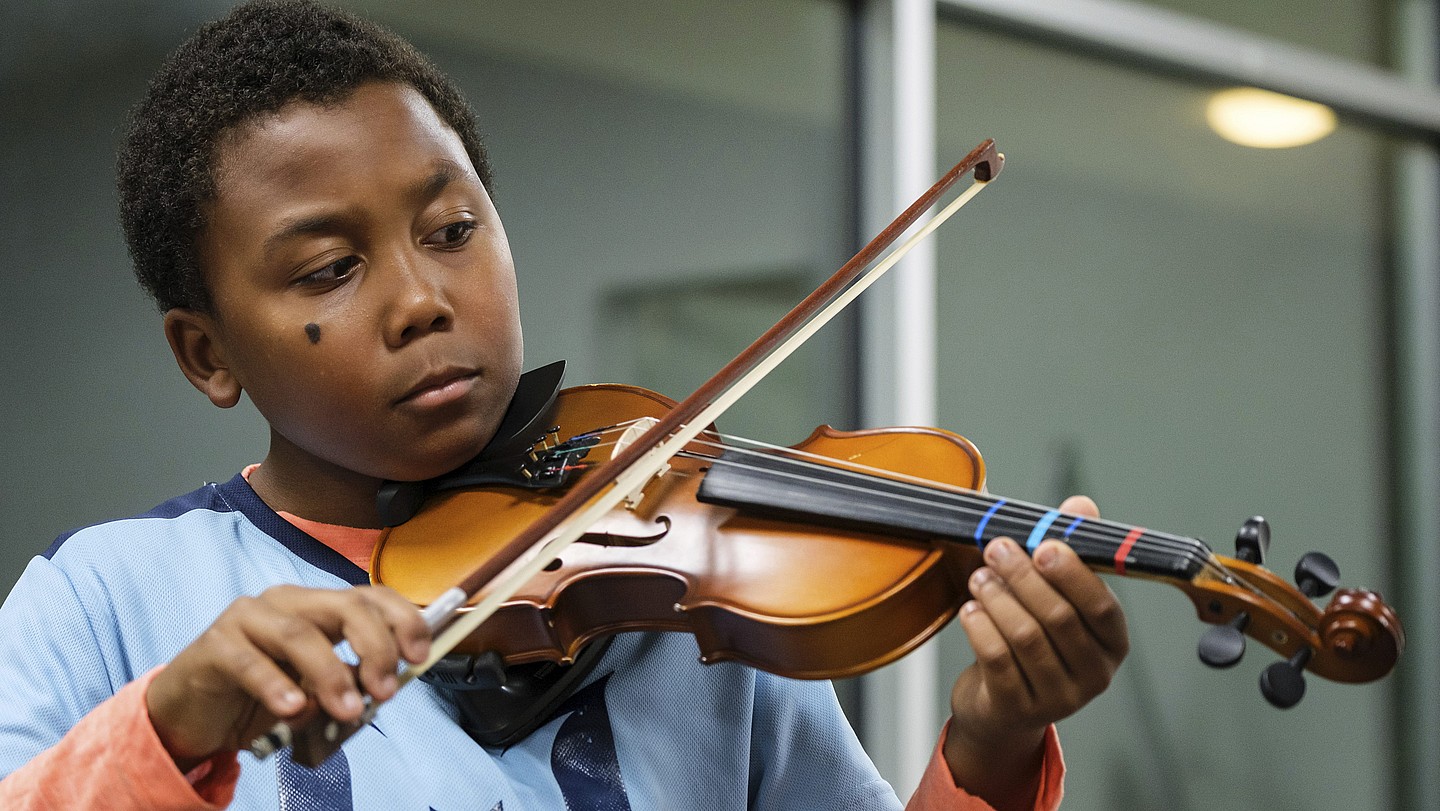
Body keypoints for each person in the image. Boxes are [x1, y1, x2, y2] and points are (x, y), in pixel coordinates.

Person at [0, 2, 1128, 809]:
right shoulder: (110, 597)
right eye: (329, 269)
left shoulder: (683, 604)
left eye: (453, 231)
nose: (422, 300)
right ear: (208, 355)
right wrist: (170, 728)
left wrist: (992, 742)